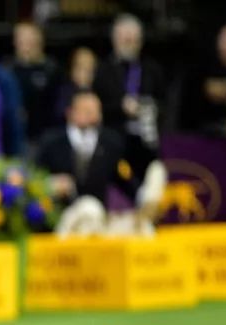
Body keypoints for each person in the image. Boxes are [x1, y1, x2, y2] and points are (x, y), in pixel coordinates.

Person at [92, 14, 164, 180]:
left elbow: (165, 101)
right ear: (115, 40)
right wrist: (121, 106)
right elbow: (96, 105)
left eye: (135, 40)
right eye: (126, 40)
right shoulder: (103, 70)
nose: (131, 45)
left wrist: (152, 108)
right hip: (114, 139)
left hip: (146, 140)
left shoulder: (151, 69)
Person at [36, 89, 134, 207]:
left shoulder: (111, 143)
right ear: (70, 112)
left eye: (96, 110)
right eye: (87, 111)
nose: (93, 116)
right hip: (58, 215)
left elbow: (126, 180)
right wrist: (51, 183)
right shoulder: (51, 142)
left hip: (98, 215)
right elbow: (36, 177)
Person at [10, 22, 60, 147]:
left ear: (38, 41)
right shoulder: (8, 69)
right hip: (15, 137)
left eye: (28, 39)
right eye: (20, 39)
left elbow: (58, 106)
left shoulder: (51, 69)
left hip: (45, 135)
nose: (24, 44)